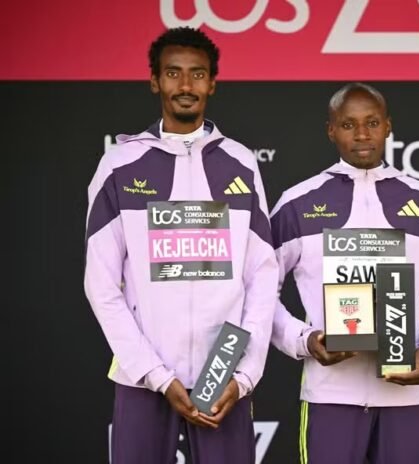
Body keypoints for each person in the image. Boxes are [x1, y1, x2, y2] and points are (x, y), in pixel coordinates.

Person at [84, 27, 278, 464]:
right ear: (155, 81)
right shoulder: (119, 164)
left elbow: (263, 276)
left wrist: (244, 375)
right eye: (173, 73)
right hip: (144, 378)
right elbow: (101, 286)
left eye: (197, 74)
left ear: (213, 83)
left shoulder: (241, 163)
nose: (186, 85)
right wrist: (154, 373)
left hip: (223, 376)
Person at [270, 82, 419, 464]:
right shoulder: (298, 202)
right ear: (331, 130)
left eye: (372, 123)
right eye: (349, 124)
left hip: (404, 395)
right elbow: (259, 292)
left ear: (388, 126)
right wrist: (305, 340)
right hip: (330, 395)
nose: (362, 134)